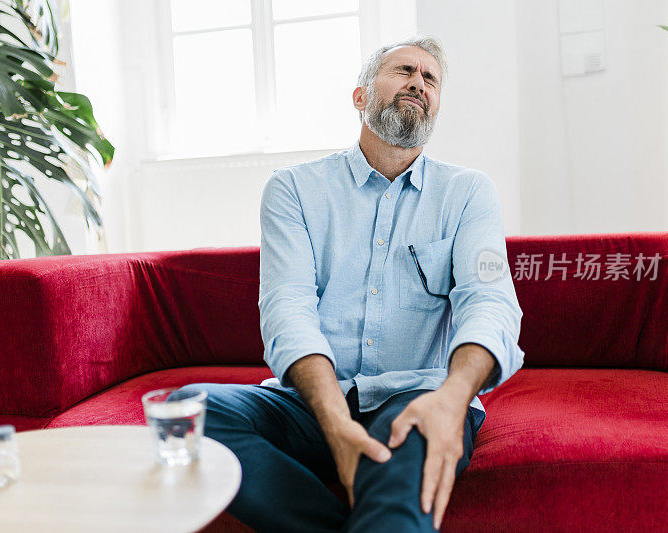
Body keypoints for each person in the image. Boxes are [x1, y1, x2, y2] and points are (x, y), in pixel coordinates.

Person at [179, 35, 524, 532]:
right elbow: (288, 306)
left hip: (420, 395)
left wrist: (452, 400)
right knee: (194, 411)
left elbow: (489, 301)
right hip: (313, 402)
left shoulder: (469, 193)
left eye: (430, 79)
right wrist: (335, 422)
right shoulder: (294, 189)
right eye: (403, 70)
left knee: (409, 440)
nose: (417, 83)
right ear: (360, 96)